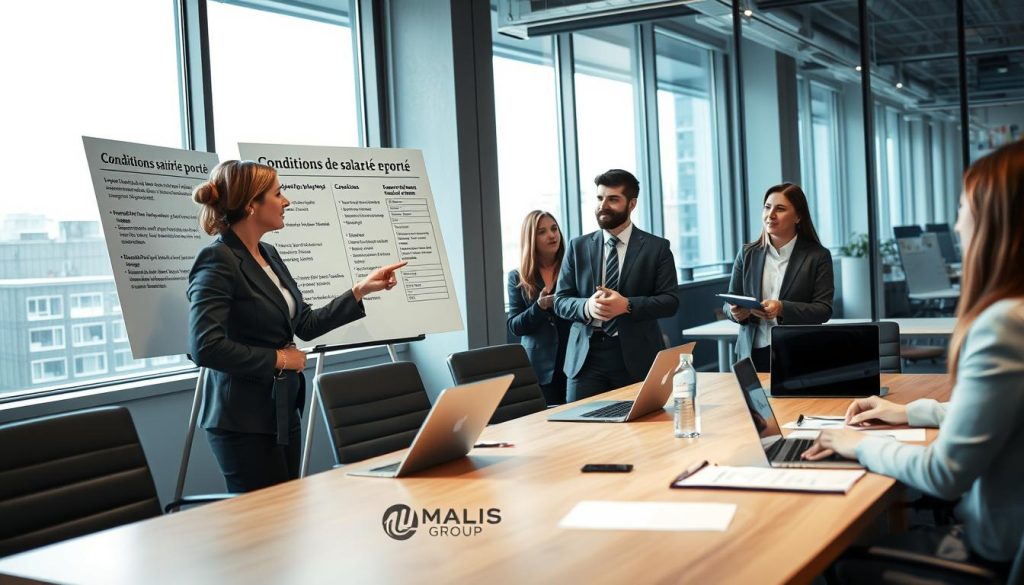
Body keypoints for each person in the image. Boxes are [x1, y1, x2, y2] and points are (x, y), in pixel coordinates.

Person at [802, 141, 1024, 569]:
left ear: (994, 222)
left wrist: (860, 444)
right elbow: (999, 412)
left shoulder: (1004, 324)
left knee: (838, 564)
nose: (958, 227)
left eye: (963, 209)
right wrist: (909, 413)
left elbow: (944, 474)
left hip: (996, 549)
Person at [188, 160, 406, 492]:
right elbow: (205, 346)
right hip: (241, 419)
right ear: (251, 205)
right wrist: (279, 359)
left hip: (281, 409)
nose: (286, 201)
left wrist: (360, 290)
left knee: (288, 517)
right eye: (278, 194)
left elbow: (304, 323)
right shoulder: (218, 260)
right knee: (263, 527)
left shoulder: (268, 254)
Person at [554, 169, 679, 402]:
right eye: (600, 198)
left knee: (639, 433)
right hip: (585, 359)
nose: (603, 205)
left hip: (635, 356)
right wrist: (586, 307)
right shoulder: (577, 246)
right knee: (578, 432)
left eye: (613, 199)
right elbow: (560, 301)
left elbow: (670, 302)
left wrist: (627, 305)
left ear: (631, 204)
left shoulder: (656, 248)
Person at [724, 183, 834, 372]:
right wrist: (735, 313)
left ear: (798, 217)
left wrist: (782, 308)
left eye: (780, 209)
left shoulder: (817, 256)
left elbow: (823, 309)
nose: (770, 215)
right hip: (752, 354)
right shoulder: (747, 253)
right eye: (767, 207)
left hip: (797, 354)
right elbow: (729, 301)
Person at [507, 210, 570, 405]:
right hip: (541, 367)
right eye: (542, 232)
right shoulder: (517, 277)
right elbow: (515, 326)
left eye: (554, 228)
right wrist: (539, 307)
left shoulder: (572, 268)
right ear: (531, 238)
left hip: (575, 361)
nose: (552, 235)